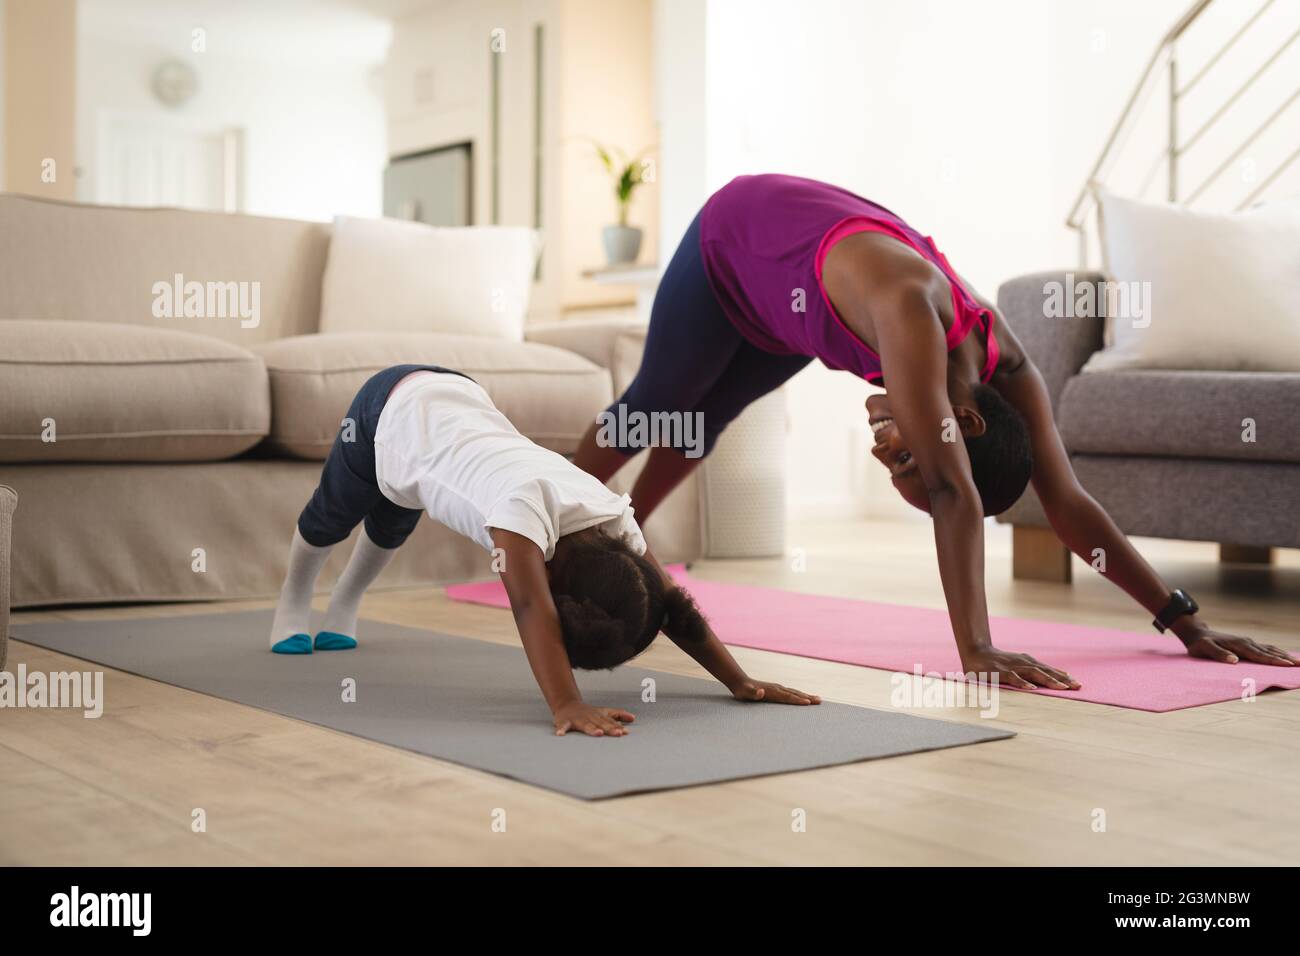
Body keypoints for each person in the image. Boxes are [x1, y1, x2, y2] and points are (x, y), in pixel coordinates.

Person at [573, 174, 1296, 689]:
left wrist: (1185, 622)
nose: (884, 454)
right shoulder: (909, 305)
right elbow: (954, 492)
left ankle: (619, 536)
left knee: (706, 417)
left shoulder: (1008, 373)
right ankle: (549, 514)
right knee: (658, 404)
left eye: (894, 470)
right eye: (905, 461)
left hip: (786, 305)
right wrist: (976, 646)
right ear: (963, 422)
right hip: (736, 242)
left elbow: (1067, 503)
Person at [268, 364, 820, 737]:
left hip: (455, 400)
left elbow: (671, 599)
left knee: (392, 521)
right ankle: (295, 599)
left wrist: (739, 680)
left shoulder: (608, 512)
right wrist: (567, 704)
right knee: (332, 517)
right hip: (384, 412)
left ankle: (342, 607)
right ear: (556, 583)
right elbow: (531, 608)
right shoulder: (519, 517)